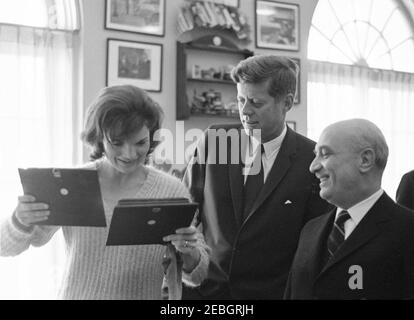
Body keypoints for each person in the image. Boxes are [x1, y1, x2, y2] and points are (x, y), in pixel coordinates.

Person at [0, 85, 209, 300]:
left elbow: (198, 275)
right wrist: (20, 220)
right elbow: (5, 247)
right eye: (117, 143)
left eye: (140, 143)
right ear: (99, 138)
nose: (129, 154)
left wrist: (189, 251)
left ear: (152, 138)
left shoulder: (171, 190)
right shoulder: (74, 184)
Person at [182, 55, 331, 299]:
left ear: (287, 102)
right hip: (206, 292)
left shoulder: (311, 159)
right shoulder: (216, 141)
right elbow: (186, 209)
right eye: (240, 99)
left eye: (256, 102)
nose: (244, 111)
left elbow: (314, 245)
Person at [284, 119, 414, 300]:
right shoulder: (310, 230)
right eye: (315, 155)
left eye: (325, 154)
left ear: (365, 160)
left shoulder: (408, 231)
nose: (313, 166)